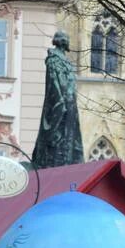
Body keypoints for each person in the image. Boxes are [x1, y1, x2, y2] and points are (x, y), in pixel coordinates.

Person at [31, 30, 84, 168]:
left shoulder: (64, 60)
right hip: (61, 103)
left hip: (70, 102)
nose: (68, 42)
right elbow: (55, 83)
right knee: (59, 136)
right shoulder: (53, 59)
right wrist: (61, 102)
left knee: (70, 137)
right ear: (62, 42)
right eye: (66, 39)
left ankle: (69, 162)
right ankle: (57, 163)